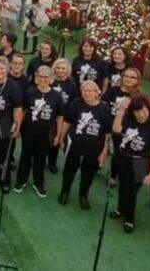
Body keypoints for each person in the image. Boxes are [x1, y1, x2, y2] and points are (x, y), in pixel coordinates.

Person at [110, 95, 150, 233]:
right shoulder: (127, 119)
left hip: (140, 163)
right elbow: (116, 129)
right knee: (122, 186)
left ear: (149, 110)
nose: (141, 114)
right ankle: (120, 209)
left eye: (144, 111)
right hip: (123, 158)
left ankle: (129, 218)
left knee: (131, 192)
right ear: (132, 111)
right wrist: (121, 109)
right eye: (137, 111)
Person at [58, 80, 112, 210]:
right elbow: (67, 122)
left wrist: (104, 151)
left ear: (97, 92)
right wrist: (61, 138)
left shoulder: (104, 108)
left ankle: (83, 195)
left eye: (90, 90)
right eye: (84, 90)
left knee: (88, 173)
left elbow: (107, 132)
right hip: (74, 145)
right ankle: (65, 191)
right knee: (69, 169)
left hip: (94, 148)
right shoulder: (76, 103)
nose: (87, 93)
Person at [16, 65, 63, 196]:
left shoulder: (57, 96)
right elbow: (23, 111)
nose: (43, 79)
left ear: (51, 79)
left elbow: (59, 117)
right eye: (40, 76)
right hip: (29, 131)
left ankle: (38, 183)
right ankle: (21, 180)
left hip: (46, 134)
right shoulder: (30, 91)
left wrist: (58, 135)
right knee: (25, 156)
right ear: (36, 78)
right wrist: (18, 127)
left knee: (41, 159)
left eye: (46, 77)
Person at [0, 57, 23, 190]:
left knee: (3, 153)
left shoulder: (14, 87)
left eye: (2, 68)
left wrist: (17, 127)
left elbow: (17, 109)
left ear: (7, 70)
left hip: (5, 123)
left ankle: (4, 179)